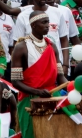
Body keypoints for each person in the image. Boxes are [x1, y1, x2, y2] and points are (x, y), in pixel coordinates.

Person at [11, 10, 65, 138]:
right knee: (32, 133)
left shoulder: (52, 46)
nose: (48, 25)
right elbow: (15, 82)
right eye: (44, 22)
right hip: (30, 98)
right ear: (33, 25)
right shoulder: (21, 47)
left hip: (53, 96)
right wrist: (37, 92)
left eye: (48, 22)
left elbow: (60, 76)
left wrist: (71, 88)